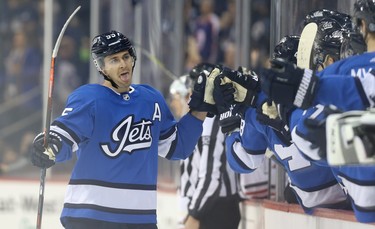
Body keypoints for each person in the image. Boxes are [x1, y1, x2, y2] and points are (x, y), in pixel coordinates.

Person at [29, 30, 222, 229]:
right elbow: (63, 135)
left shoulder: (151, 99)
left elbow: (178, 147)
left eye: (126, 56)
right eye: (113, 60)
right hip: (91, 216)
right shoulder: (90, 98)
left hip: (140, 219)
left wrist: (200, 110)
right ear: (101, 67)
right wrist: (47, 146)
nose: (123, 64)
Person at [259, 0, 375, 223]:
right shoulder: (342, 73)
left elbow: (307, 138)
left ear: (361, 25)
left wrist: (302, 103)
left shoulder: (341, 72)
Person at [212, 34, 349, 214]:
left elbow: (241, 162)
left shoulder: (259, 105)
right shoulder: (325, 100)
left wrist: (231, 124)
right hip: (350, 203)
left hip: (303, 208)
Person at [169, 63, 242, 229]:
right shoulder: (202, 121)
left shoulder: (214, 121)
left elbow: (210, 176)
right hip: (205, 207)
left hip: (213, 210)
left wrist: (195, 214)